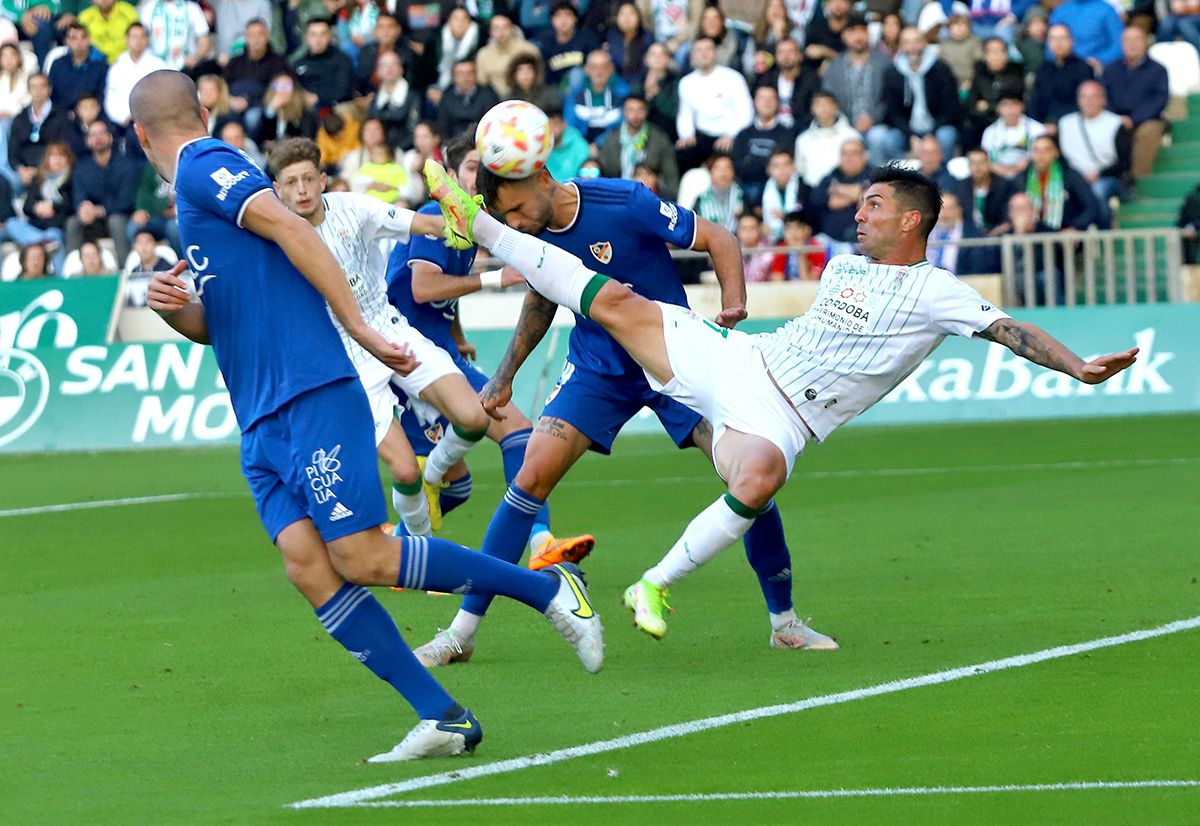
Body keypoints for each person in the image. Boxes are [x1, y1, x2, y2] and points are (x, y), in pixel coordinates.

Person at [425, 160, 1139, 642]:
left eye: (875, 205)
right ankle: (480, 226)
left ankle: (657, 586)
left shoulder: (938, 291)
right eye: (861, 204)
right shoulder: (843, 264)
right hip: (742, 360)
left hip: (782, 419)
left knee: (759, 478)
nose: (859, 215)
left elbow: (1008, 330)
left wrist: (1076, 366)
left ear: (913, 223)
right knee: (614, 302)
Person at [134, 69, 604, 762]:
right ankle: (441, 715)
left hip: (309, 392)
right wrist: (175, 310)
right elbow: (218, 324)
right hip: (260, 416)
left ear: (143, 135)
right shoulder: (196, 198)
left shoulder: (205, 164)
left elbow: (297, 233)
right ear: (200, 107)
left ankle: (542, 589)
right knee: (308, 566)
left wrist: (359, 325)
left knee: (363, 555)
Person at [412, 146, 828, 660]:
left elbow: (718, 237)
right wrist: (505, 376)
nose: (514, 225)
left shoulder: (625, 201)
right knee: (530, 479)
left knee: (748, 481)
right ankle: (461, 634)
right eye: (506, 220)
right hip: (598, 370)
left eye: (515, 211)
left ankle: (784, 622)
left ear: (541, 178)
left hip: (676, 362)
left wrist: (733, 302)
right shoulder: (533, 235)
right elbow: (541, 300)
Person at [386, 135, 594, 599]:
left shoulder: (467, 227)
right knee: (515, 427)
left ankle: (399, 552)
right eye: (472, 169)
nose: (480, 181)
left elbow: (437, 290)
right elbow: (422, 286)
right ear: (452, 176)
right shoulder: (437, 218)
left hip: (439, 348)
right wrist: (495, 277)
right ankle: (539, 543)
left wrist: (457, 333)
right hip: (410, 359)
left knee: (456, 488)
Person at [269, 137, 441, 537]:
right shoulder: (270, 241)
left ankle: (415, 537)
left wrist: (463, 224)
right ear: (277, 190)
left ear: (323, 180)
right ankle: (397, 537)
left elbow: (418, 223)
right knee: (385, 467)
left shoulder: (351, 209)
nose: (302, 189)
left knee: (466, 420)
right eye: (291, 182)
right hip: (329, 366)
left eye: (308, 179)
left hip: (384, 333)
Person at [821, 13, 895, 165]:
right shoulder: (834, 66)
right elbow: (829, 100)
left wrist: (873, 118)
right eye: (852, 32)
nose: (858, 36)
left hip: (878, 125)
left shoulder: (884, 62)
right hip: (843, 126)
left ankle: (878, 185)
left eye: (862, 31)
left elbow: (891, 97)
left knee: (877, 137)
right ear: (844, 36)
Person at [882, 26, 962, 161]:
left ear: (924, 42)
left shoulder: (941, 69)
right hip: (907, 129)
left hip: (937, 127)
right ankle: (899, 179)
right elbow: (893, 112)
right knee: (889, 139)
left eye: (916, 41)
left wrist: (930, 135)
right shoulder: (892, 73)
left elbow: (950, 108)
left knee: (947, 136)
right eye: (907, 42)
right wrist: (911, 135)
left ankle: (942, 177)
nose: (912, 46)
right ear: (901, 46)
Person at [675, 36, 753, 171]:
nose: (704, 54)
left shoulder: (733, 77)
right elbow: (685, 114)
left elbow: (746, 112)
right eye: (699, 50)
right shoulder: (686, 83)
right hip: (702, 136)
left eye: (708, 49)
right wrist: (686, 135)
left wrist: (730, 134)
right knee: (683, 153)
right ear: (692, 55)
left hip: (731, 135)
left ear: (716, 53)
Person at [67, 119, 141, 262]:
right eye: (93, 135)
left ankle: (123, 270)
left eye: (101, 134)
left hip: (120, 216)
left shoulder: (126, 165)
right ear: (88, 141)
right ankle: (72, 271)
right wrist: (83, 208)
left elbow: (127, 200)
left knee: (116, 221)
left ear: (110, 137)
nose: (98, 138)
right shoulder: (82, 168)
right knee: (72, 223)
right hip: (92, 221)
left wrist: (100, 210)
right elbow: (78, 196)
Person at [1101, 26, 1168, 182]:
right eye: (1127, 40)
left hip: (1147, 119)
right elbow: (1103, 97)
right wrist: (1116, 118)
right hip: (1114, 119)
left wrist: (1134, 119)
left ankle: (1138, 180)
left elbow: (1159, 100)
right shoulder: (1110, 69)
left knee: (1148, 131)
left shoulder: (1158, 70)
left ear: (1146, 42)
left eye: (1137, 39)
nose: (1132, 44)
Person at [1057, 81, 1126, 229]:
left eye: (1094, 96)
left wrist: (1099, 174)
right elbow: (1061, 157)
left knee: (1098, 192)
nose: (1088, 101)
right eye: (1084, 97)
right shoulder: (1065, 123)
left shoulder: (1115, 123)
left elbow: (1125, 162)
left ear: (1103, 100)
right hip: (1074, 178)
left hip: (1107, 177)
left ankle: (1104, 236)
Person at [596, 94, 679, 200]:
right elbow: (604, 170)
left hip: (650, 197)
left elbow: (671, 176)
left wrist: (658, 185)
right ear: (624, 112)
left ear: (646, 112)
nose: (635, 115)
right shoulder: (612, 138)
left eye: (640, 110)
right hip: (617, 195)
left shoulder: (659, 140)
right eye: (630, 110)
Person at [731, 84, 795, 208]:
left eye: (771, 98)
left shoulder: (787, 133)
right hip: (748, 185)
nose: (767, 103)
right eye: (762, 98)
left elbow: (786, 164)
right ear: (754, 102)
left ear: (778, 103)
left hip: (777, 187)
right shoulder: (744, 134)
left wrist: (753, 163)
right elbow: (738, 166)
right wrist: (765, 165)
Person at [1024, 134, 1100, 231]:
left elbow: (1091, 207)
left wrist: (1075, 227)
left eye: (1046, 150)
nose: (1040, 155)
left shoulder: (1070, 176)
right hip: (1030, 237)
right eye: (1036, 150)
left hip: (1064, 235)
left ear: (1055, 152)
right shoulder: (1023, 177)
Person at [1029, 24, 1095, 134]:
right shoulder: (1042, 70)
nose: (1058, 43)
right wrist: (1039, 125)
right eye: (1053, 39)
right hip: (1044, 127)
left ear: (1071, 41)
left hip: (1075, 126)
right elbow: (1035, 102)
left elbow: (1084, 103)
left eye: (1062, 38)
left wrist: (1057, 124)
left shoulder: (1084, 69)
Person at [8, 73, 69, 189]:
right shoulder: (20, 118)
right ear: (29, 91)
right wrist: (22, 170)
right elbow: (13, 151)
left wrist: (40, 170)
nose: (38, 91)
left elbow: (64, 148)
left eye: (42, 86)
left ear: (49, 89)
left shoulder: (61, 116)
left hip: (51, 168)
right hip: (23, 170)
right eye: (34, 87)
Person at [963, 36, 1025, 150]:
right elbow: (971, 103)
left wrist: (989, 106)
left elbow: (1015, 100)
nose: (997, 56)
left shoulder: (1016, 74)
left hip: (1009, 120)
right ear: (985, 55)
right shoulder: (979, 75)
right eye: (992, 52)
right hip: (982, 121)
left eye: (1000, 51)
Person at [104, 23, 167, 131]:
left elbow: (163, 96)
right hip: (121, 122)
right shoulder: (117, 65)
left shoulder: (159, 65)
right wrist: (124, 117)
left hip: (151, 122)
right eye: (134, 37)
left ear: (147, 40)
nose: (138, 41)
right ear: (126, 39)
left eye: (142, 37)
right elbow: (111, 97)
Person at [810, 137, 870, 246]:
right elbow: (829, 202)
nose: (848, 158)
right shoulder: (830, 176)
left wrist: (838, 188)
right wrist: (856, 195)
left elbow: (867, 198)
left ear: (864, 156)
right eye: (845, 154)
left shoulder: (873, 175)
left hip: (861, 241)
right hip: (827, 240)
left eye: (853, 153)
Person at [793, 91, 859, 189]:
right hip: (812, 194)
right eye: (819, 104)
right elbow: (800, 171)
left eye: (827, 104)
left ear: (835, 107)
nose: (823, 108)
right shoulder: (803, 139)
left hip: (845, 191)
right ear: (812, 109)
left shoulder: (852, 136)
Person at [565, 50, 628, 146]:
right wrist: (583, 148)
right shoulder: (576, 93)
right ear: (586, 69)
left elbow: (623, 127)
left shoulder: (623, 93)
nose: (599, 72)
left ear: (611, 68)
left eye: (604, 67)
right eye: (594, 67)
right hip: (581, 147)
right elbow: (570, 126)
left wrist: (598, 144)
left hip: (612, 146)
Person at [928, 191, 999, 275]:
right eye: (940, 209)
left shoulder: (973, 236)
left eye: (949, 209)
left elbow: (976, 271)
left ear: (959, 210)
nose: (944, 214)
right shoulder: (924, 232)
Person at [292, 17, 353, 109]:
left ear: (329, 37)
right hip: (305, 110)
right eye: (313, 35)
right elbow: (293, 88)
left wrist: (318, 97)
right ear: (306, 37)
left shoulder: (341, 60)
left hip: (334, 110)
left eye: (322, 34)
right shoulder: (299, 63)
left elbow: (343, 90)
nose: (318, 39)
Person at [981, 93, 1046, 180]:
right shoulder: (989, 132)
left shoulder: (1037, 129)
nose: (1010, 109)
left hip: (1029, 174)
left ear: (1022, 107)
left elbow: (1043, 156)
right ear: (998, 109)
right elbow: (987, 160)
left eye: (1014, 104)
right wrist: (1005, 170)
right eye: (1005, 105)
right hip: (997, 176)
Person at [1048, 0, 1123, 71]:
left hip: (1096, 68)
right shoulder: (1061, 11)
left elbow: (1119, 44)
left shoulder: (1107, 10)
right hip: (1063, 67)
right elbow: (1049, 46)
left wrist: (1101, 59)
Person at [48, 22, 109, 109]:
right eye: (74, 38)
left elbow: (102, 95)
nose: (79, 42)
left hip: (91, 114)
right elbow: (52, 94)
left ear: (89, 39)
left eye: (83, 37)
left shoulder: (101, 65)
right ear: (66, 41)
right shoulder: (58, 64)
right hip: (61, 114)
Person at [140, 0, 212, 72]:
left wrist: (196, 58)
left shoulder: (192, 8)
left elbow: (204, 38)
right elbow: (141, 36)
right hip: (155, 67)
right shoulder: (150, 7)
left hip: (185, 67)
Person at [436, 59, 498, 141]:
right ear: (453, 76)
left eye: (469, 73)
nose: (465, 78)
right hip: (453, 144)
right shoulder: (447, 96)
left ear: (476, 74)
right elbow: (443, 125)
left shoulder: (487, 94)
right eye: (461, 74)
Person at [476, 13, 538, 95]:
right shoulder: (483, 54)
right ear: (490, 32)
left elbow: (539, 79)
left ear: (513, 29)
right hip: (496, 101)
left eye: (505, 27)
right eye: (496, 28)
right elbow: (482, 84)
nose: (501, 32)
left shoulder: (529, 50)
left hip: (526, 98)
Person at [760, 148, 806, 242]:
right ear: (769, 170)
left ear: (793, 166)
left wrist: (785, 217)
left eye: (786, 165)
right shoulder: (761, 192)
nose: (782, 170)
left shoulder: (805, 189)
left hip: (801, 240)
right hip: (771, 240)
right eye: (776, 166)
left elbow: (810, 218)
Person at [965, 146, 1014, 235]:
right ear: (968, 166)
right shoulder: (961, 187)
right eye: (973, 163)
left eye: (981, 162)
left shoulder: (1004, 186)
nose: (977, 167)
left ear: (989, 164)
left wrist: (993, 234)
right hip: (969, 238)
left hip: (999, 236)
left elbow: (1008, 218)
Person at [692, 153, 744, 233]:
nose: (723, 172)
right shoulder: (701, 198)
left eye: (727, 168)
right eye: (718, 168)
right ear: (711, 172)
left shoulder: (741, 195)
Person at [78, 0, 139, 65]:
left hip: (126, 64)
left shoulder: (129, 12)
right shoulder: (84, 17)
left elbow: (137, 41)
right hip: (94, 65)